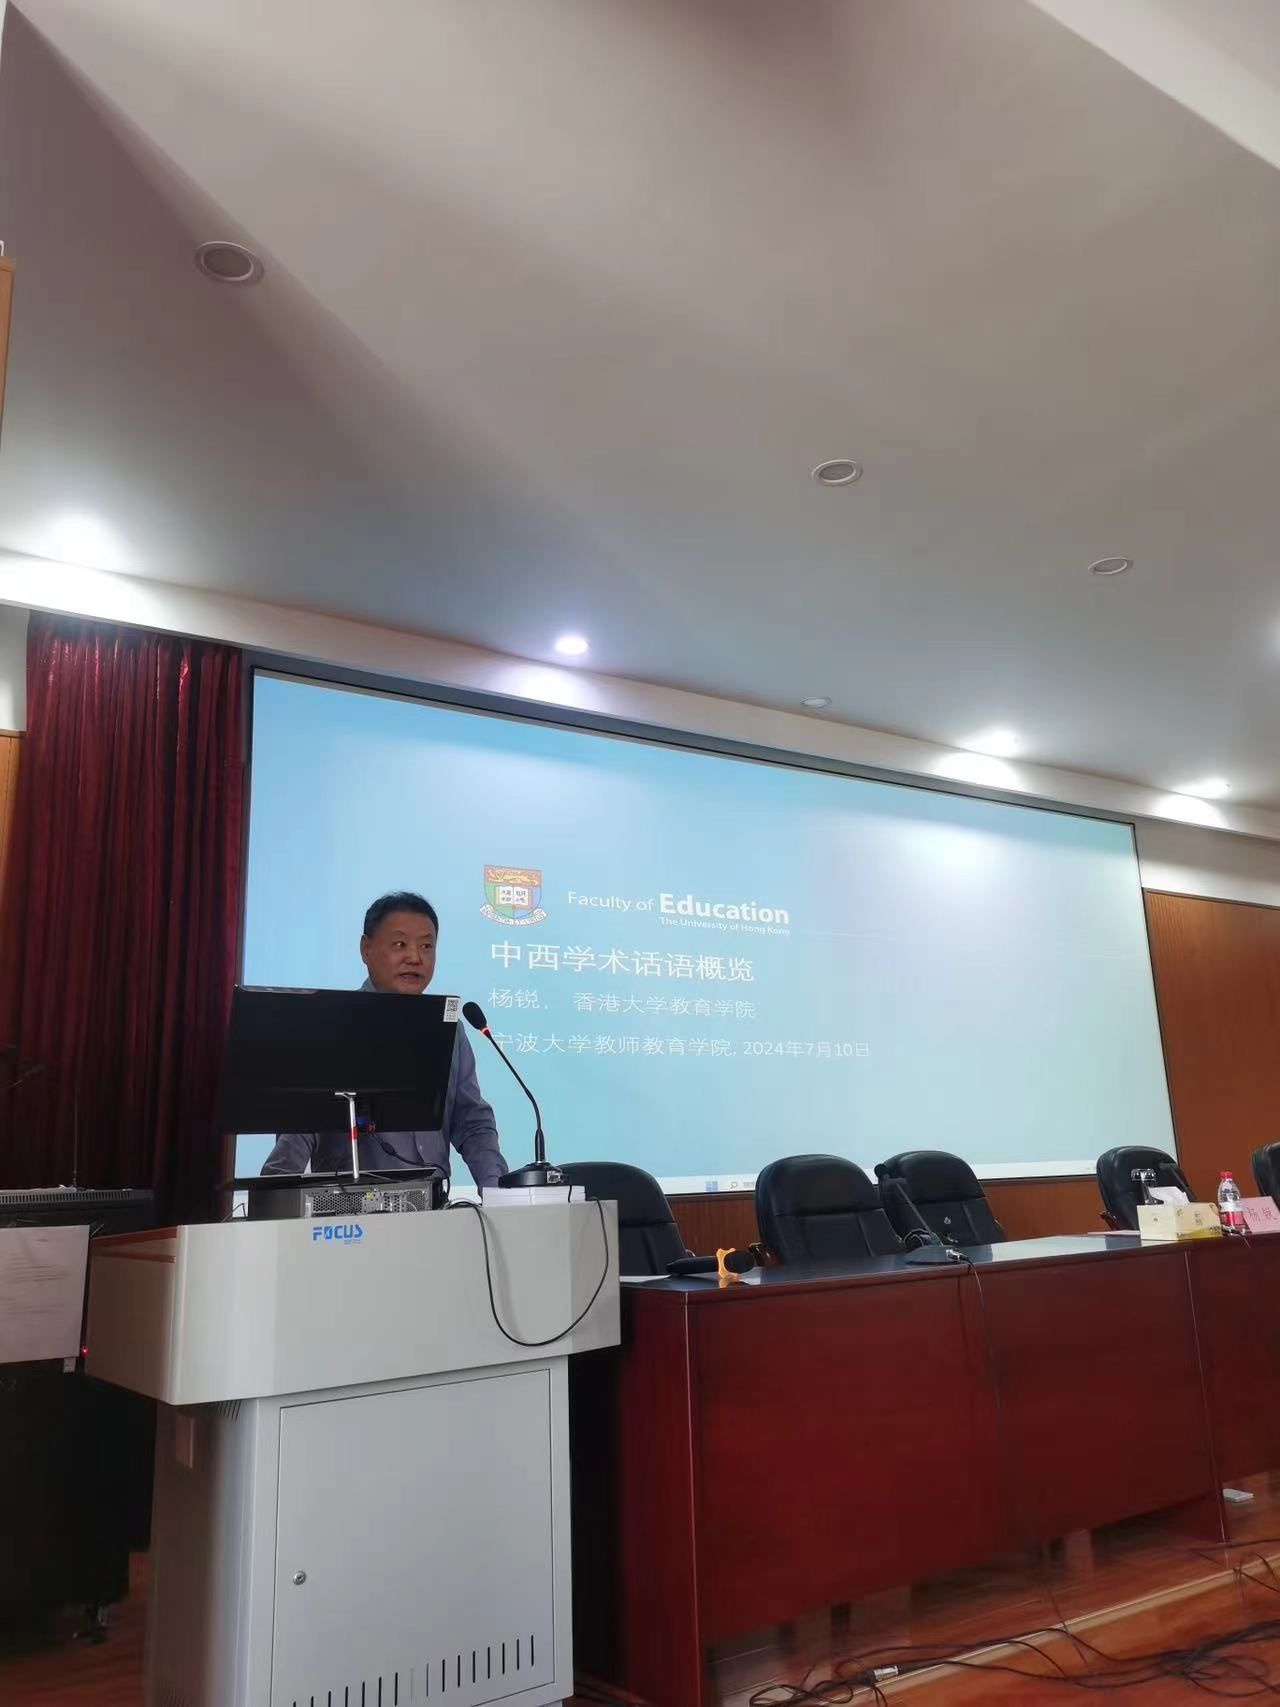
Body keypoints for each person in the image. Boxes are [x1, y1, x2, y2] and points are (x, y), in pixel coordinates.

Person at [260, 891, 509, 1187]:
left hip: (435, 1205)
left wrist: (497, 1189)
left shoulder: (450, 1030)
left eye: (427, 946)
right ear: (366, 949)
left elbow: (471, 1121)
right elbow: (300, 1128)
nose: (415, 958)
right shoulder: (330, 1025)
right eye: (400, 944)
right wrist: (274, 1193)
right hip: (350, 1207)